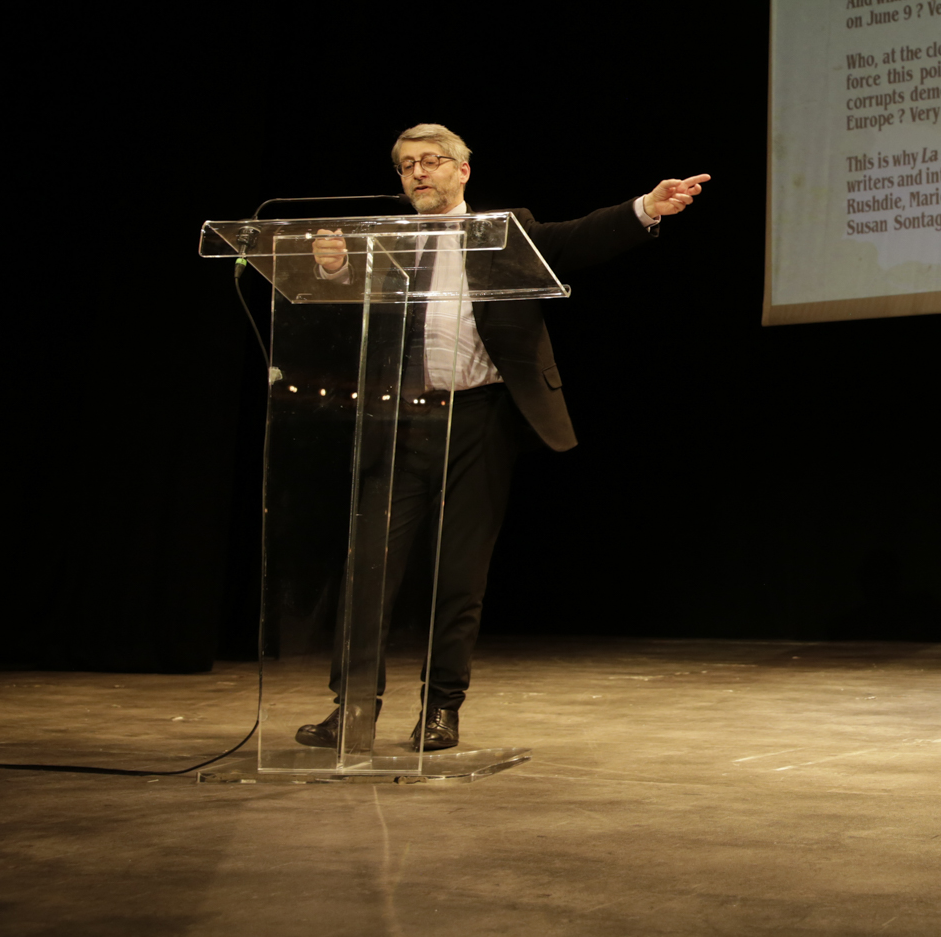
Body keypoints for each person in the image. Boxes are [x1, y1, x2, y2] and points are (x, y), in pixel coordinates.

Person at [295, 123, 709, 752]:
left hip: (481, 422)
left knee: (459, 577)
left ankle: (440, 710)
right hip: (400, 422)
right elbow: (348, 306)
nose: (418, 173)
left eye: (431, 162)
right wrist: (330, 272)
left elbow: (574, 241)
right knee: (369, 572)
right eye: (407, 166)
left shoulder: (503, 232)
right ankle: (351, 710)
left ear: (463, 171)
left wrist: (646, 208)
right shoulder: (388, 243)